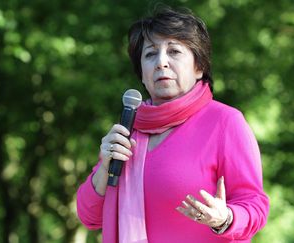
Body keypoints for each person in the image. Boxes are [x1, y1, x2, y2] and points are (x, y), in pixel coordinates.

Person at [76, 7, 269, 243]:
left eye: (174, 51)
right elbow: (89, 217)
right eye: (150, 54)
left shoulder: (225, 122)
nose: (161, 63)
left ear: (199, 67)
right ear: (142, 74)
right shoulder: (128, 131)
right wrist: (105, 167)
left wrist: (225, 218)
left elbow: (255, 206)